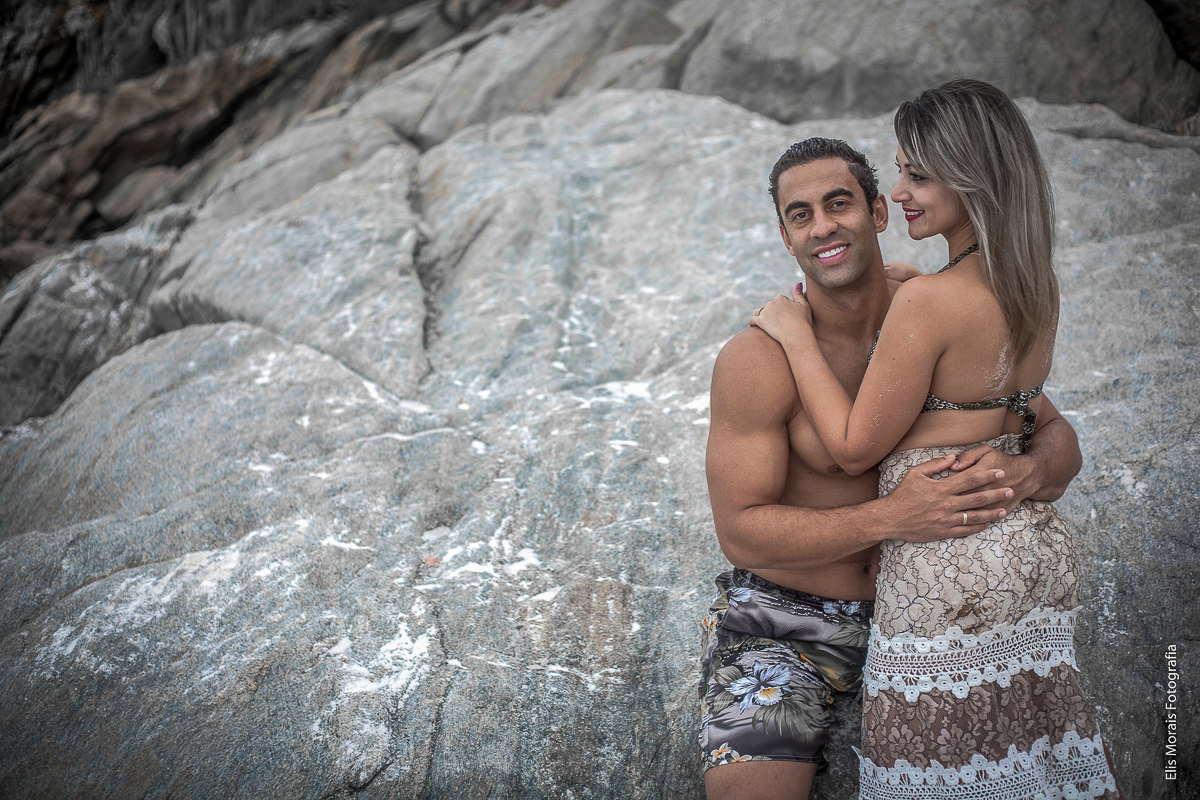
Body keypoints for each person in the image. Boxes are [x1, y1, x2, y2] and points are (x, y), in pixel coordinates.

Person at [749, 80, 1119, 798]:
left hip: (949, 566)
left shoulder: (926, 301)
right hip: (1031, 547)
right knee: (1034, 763)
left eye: (918, 173)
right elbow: (1003, 401)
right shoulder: (1033, 284)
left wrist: (794, 335)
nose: (904, 192)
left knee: (939, 773)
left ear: (971, 176)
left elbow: (855, 448)